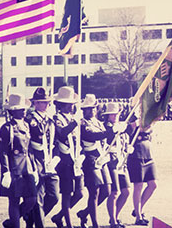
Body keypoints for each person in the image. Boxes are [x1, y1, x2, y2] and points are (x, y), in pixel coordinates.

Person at [0, 93, 38, 228]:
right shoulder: (7, 128)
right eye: (21, 109)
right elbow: (3, 152)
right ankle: (15, 224)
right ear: (13, 111)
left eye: (24, 108)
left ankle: (11, 222)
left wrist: (34, 168)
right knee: (14, 201)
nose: (24, 111)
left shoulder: (27, 125)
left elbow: (30, 149)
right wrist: (5, 172)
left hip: (27, 168)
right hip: (14, 169)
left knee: (32, 199)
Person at [24, 87, 60, 228]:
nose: (46, 105)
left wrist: (56, 158)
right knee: (38, 197)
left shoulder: (49, 119)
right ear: (35, 104)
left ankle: (30, 217)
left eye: (47, 102)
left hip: (49, 159)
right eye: (42, 102)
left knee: (54, 196)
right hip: (37, 159)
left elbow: (55, 140)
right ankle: (39, 224)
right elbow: (38, 132)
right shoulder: (31, 119)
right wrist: (47, 119)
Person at [77, 94, 114, 228]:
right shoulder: (83, 123)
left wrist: (115, 132)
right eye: (88, 108)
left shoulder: (99, 123)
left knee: (107, 191)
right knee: (94, 192)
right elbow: (91, 136)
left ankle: (84, 213)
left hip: (101, 158)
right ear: (83, 110)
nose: (91, 110)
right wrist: (108, 133)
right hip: (90, 159)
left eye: (93, 108)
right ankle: (95, 224)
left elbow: (106, 139)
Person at [51, 86, 84, 228]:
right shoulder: (56, 118)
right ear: (62, 105)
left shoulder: (72, 118)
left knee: (79, 193)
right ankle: (68, 224)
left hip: (75, 160)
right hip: (64, 160)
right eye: (70, 104)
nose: (72, 106)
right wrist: (75, 122)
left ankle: (58, 216)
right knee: (66, 193)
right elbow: (62, 133)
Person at [127, 111, 157, 226]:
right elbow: (128, 132)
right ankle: (138, 216)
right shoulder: (132, 119)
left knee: (153, 184)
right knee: (138, 186)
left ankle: (137, 209)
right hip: (137, 156)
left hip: (148, 155)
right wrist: (137, 124)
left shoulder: (149, 117)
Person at [103, 102, 130, 228]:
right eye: (112, 115)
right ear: (107, 116)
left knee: (126, 192)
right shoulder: (106, 127)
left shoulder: (121, 126)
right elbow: (107, 137)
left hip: (121, 161)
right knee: (114, 192)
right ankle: (113, 221)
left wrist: (127, 147)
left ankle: (115, 216)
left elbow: (124, 139)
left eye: (116, 114)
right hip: (111, 161)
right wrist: (114, 130)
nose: (114, 116)